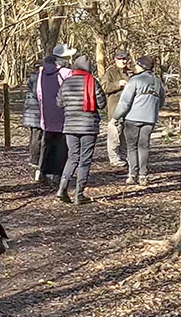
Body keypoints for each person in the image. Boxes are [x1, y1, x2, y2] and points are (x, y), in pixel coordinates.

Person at [56, 55, 108, 205]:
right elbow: (101, 103)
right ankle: (79, 194)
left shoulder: (66, 83)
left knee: (72, 157)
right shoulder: (92, 82)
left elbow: (59, 102)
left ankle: (62, 189)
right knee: (84, 160)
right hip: (89, 127)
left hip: (70, 126)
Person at [113, 55, 166, 186]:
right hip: (150, 119)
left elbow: (125, 102)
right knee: (144, 146)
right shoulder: (158, 81)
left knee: (132, 147)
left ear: (142, 66)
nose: (135, 67)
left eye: (137, 65)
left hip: (132, 118)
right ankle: (143, 175)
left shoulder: (135, 80)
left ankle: (132, 175)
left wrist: (116, 116)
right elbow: (162, 101)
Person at [35, 51, 72, 183]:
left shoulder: (41, 73)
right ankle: (58, 174)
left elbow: (38, 92)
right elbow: (69, 91)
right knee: (61, 146)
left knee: (47, 143)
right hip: (62, 113)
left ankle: (43, 172)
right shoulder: (66, 73)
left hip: (46, 113)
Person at [102, 51, 132, 168]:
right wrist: (118, 84)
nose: (123, 61)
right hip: (115, 109)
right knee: (114, 135)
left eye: (124, 59)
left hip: (129, 110)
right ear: (115, 60)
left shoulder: (131, 73)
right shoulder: (110, 72)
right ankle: (114, 158)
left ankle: (123, 156)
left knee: (125, 135)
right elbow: (104, 87)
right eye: (120, 59)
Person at [22, 63, 42, 169]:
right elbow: (37, 94)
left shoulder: (32, 78)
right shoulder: (38, 78)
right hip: (36, 112)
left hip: (31, 111)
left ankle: (34, 157)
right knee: (36, 136)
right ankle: (34, 159)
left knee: (34, 135)